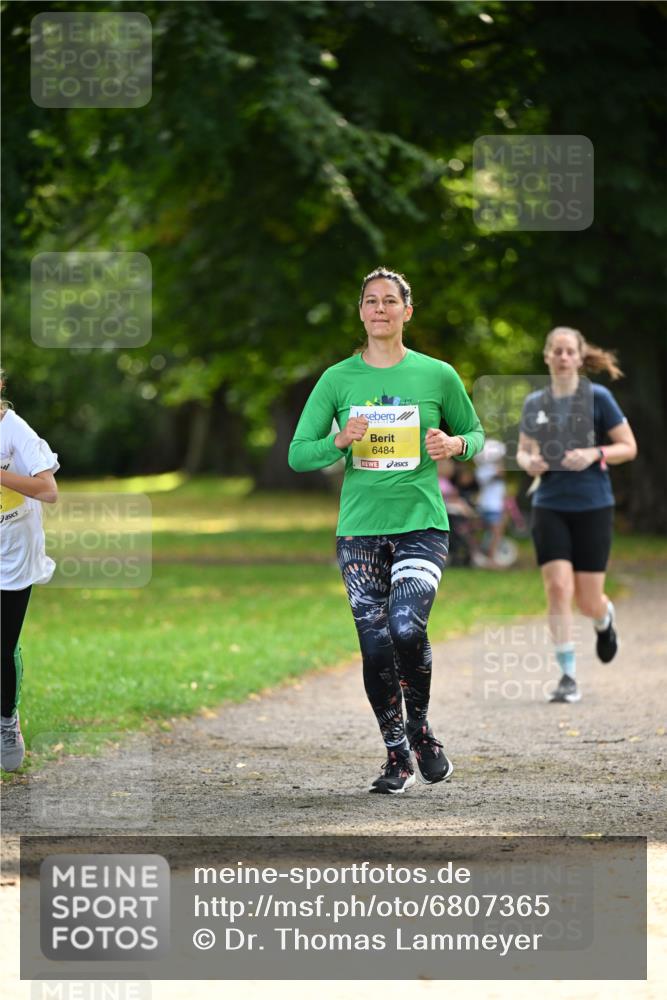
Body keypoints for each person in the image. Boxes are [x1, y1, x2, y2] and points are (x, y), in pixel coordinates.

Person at [288, 268, 484, 793]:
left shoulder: (438, 375)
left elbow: (475, 432)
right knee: (375, 646)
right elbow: (298, 454)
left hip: (422, 522)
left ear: (406, 311)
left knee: (405, 628)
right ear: (361, 312)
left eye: (390, 301)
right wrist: (338, 440)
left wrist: (454, 446)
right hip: (360, 532)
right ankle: (397, 754)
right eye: (371, 301)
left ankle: (420, 732)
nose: (380, 309)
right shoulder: (337, 380)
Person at [516, 327, 637, 704]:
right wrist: (530, 462)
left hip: (593, 506)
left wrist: (594, 454)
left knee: (588, 600)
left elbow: (627, 447)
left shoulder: (598, 397)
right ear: (547, 356)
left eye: (570, 351)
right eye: (558, 351)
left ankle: (603, 618)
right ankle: (567, 675)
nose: (564, 357)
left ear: (580, 358)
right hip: (549, 503)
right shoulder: (535, 402)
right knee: (557, 587)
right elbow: (522, 451)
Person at [0, 371, 59, 771]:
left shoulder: (14, 429)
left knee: (2, 646)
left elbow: (48, 491)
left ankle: (6, 721)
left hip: (13, 553)